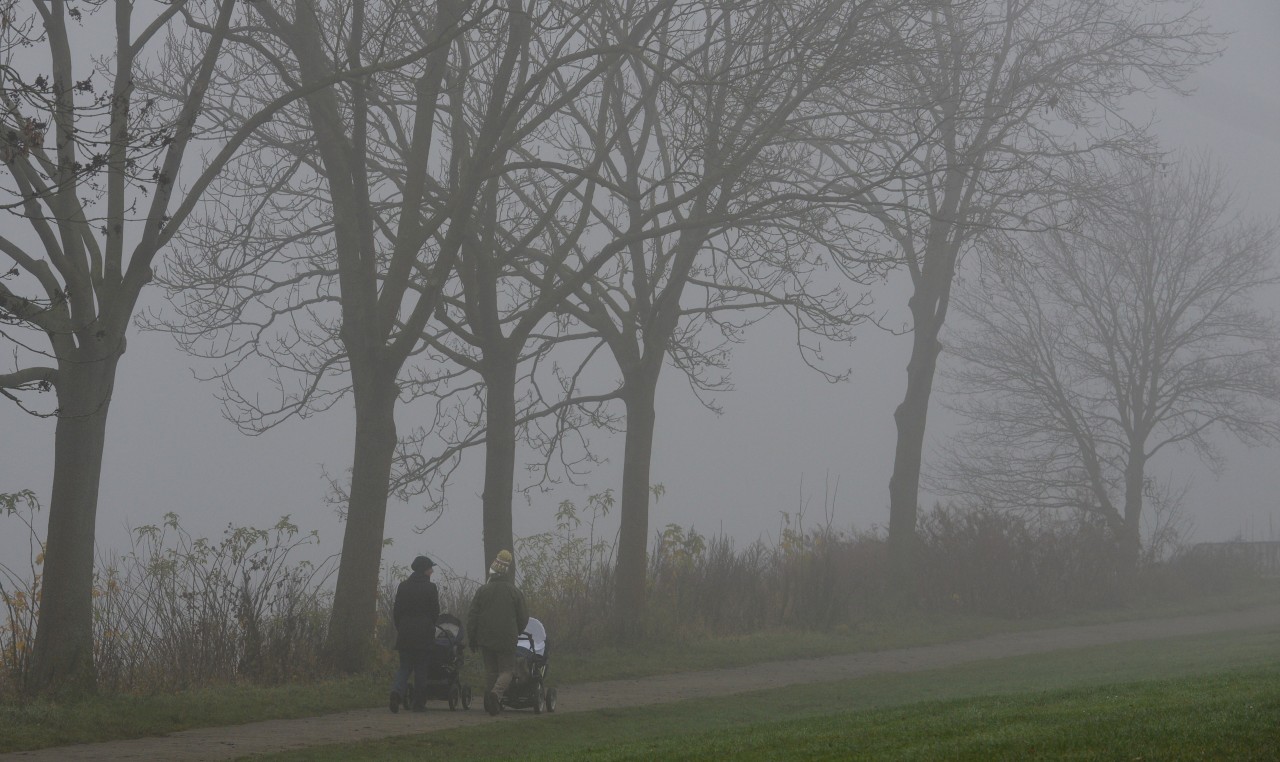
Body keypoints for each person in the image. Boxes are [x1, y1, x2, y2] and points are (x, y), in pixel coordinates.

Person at [466, 549, 528, 716]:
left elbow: (472, 616)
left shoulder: (482, 591)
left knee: (491, 671)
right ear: (506, 572)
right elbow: (523, 617)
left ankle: (490, 702)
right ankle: (496, 694)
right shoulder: (514, 592)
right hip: (507, 638)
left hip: (485, 639)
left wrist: (472, 637)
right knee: (507, 670)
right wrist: (517, 631)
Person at [389, 555, 440, 713]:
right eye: (430, 568)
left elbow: (396, 611)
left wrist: (401, 627)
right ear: (424, 570)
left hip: (405, 632)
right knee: (421, 669)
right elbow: (435, 612)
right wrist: (431, 626)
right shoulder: (430, 588)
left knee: (404, 667)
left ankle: (397, 692)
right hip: (424, 633)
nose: (432, 571)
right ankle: (418, 703)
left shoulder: (403, 586)